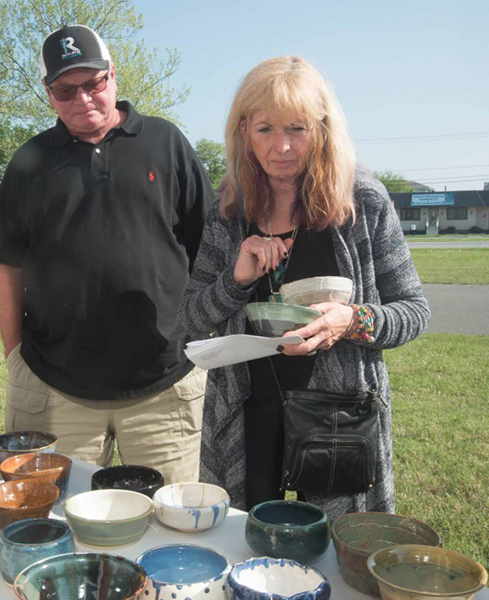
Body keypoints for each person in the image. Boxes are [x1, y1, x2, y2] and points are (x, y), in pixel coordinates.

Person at [181, 56, 429, 519]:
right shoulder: (228, 213)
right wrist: (236, 281)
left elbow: (414, 310)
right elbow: (191, 319)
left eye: (297, 128)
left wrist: (353, 319)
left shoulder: (363, 203)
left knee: (339, 556)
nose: (283, 147)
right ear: (242, 133)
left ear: (322, 129)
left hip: (340, 420)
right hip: (245, 417)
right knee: (248, 547)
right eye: (265, 130)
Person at [0, 25, 214, 484]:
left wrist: (202, 335)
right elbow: (5, 265)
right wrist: (15, 358)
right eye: (65, 90)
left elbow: (207, 249)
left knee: (170, 526)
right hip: (57, 390)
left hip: (165, 388)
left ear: (113, 76)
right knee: (52, 518)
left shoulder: (166, 144)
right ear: (47, 94)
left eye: (94, 83)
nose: (83, 99)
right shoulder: (30, 162)